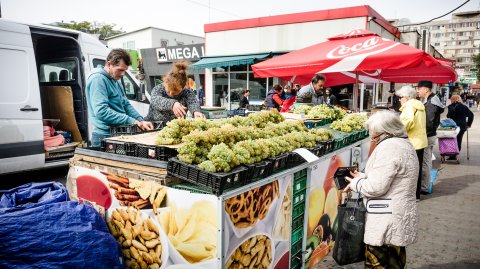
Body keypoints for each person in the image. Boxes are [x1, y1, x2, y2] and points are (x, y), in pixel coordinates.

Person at [344, 110, 418, 269]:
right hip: (397, 213)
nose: (372, 138)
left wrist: (356, 183)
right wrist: (364, 175)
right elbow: (390, 176)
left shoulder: (390, 148)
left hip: (386, 217)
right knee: (395, 260)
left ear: (387, 132)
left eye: (374, 134)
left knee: (378, 261)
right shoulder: (403, 143)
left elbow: (376, 187)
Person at [86, 48, 153, 147]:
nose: (123, 74)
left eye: (125, 71)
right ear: (109, 64)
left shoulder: (115, 80)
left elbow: (126, 105)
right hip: (104, 137)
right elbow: (101, 111)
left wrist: (141, 121)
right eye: (120, 70)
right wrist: (131, 121)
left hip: (117, 135)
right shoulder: (98, 79)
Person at [397, 85, 428, 200]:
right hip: (419, 141)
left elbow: (407, 123)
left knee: (410, 170)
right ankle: (416, 195)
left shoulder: (409, 106)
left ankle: (411, 195)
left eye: (400, 97)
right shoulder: (418, 105)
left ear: (406, 97)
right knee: (417, 169)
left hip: (412, 142)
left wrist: (396, 131)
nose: (399, 100)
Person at [416, 80, 445, 195]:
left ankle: (424, 187)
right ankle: (425, 185)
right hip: (429, 135)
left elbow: (428, 122)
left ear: (426, 89)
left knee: (425, 162)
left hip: (427, 136)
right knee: (426, 162)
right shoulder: (431, 100)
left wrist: (422, 135)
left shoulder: (431, 102)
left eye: (419, 88)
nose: (418, 91)